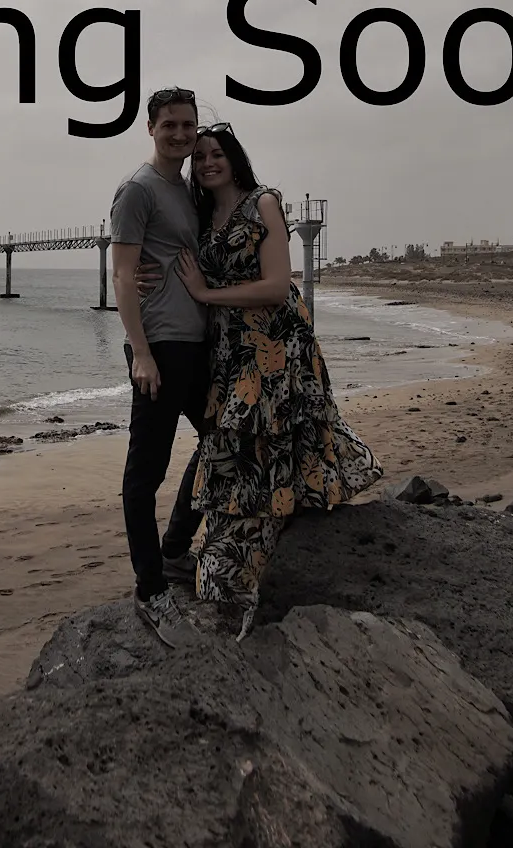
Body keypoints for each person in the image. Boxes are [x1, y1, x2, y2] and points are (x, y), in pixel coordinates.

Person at [172, 123, 383, 639]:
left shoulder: (263, 203)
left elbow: (274, 285)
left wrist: (205, 295)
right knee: (237, 439)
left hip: (274, 341)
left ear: (234, 158)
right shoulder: (202, 214)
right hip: (230, 346)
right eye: (199, 157)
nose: (207, 163)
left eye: (216, 154)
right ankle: (226, 543)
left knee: (266, 433)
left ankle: (247, 549)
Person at [108, 86, 212, 646]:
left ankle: (174, 550)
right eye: (169, 124)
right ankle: (151, 590)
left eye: (187, 125)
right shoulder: (138, 190)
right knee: (145, 473)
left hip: (194, 342)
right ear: (150, 128)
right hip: (158, 347)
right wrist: (141, 352)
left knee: (221, 440)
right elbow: (123, 275)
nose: (179, 134)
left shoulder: (188, 191)